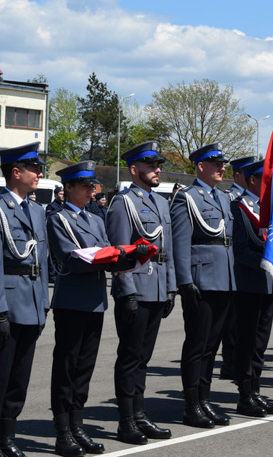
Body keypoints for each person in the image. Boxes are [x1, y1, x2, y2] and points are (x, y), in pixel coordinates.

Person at [48, 160, 143, 457]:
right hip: (71, 301)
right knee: (67, 368)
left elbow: (107, 253)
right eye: (86, 186)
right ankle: (63, 431)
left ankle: (78, 427)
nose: (92, 191)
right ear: (70, 188)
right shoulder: (58, 219)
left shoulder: (94, 219)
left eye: (93, 186)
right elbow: (71, 259)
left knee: (84, 369)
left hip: (94, 301)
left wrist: (130, 256)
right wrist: (111, 255)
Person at [0, 142, 50, 457]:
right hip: (5, 305)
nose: (40, 172)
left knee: (19, 378)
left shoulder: (37, 210)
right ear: (16, 172)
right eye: (34, 168)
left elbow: (42, 261)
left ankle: (8, 437)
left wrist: (43, 301)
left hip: (31, 304)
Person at [105, 142, 177, 444]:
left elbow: (168, 250)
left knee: (144, 357)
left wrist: (171, 287)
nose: (157, 169)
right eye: (150, 165)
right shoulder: (123, 203)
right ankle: (126, 421)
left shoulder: (160, 202)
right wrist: (126, 292)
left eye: (158, 164)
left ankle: (140, 414)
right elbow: (119, 253)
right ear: (135, 170)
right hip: (136, 289)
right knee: (130, 356)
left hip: (158, 288)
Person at [170, 144, 235, 429]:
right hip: (201, 280)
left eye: (222, 163)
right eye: (215, 163)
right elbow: (180, 242)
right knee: (197, 345)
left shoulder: (223, 197)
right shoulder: (187, 198)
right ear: (200, 167)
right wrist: (184, 281)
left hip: (224, 279)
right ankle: (191, 405)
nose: (222, 168)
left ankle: (204, 400)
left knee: (212, 346)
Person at [230, 159, 273, 416]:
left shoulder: (270, 208)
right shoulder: (239, 207)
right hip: (249, 284)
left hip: (268, 285)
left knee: (261, 342)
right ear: (253, 180)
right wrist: (266, 263)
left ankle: (256, 391)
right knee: (247, 341)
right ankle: (245, 395)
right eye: (265, 179)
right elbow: (240, 250)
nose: (269, 183)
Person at [218, 155, 254, 381]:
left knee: (241, 320)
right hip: (231, 265)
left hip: (243, 267)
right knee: (230, 320)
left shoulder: (251, 200)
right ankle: (229, 360)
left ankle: (236, 360)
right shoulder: (229, 197)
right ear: (238, 175)